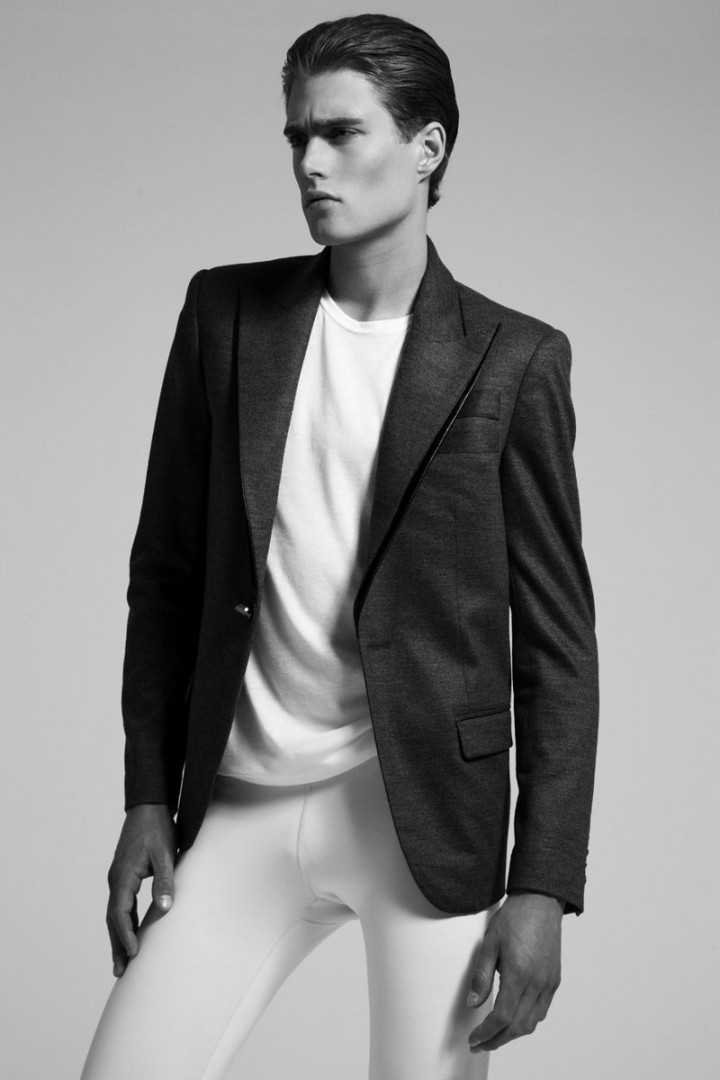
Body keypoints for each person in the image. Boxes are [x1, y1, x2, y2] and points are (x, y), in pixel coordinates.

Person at [80, 13, 599, 1080]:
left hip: (423, 818)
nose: (310, 163)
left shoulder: (514, 360)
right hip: (239, 801)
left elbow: (559, 648)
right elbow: (166, 573)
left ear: (428, 147)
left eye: (342, 133)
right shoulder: (226, 315)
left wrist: (543, 885)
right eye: (297, 137)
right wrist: (145, 794)